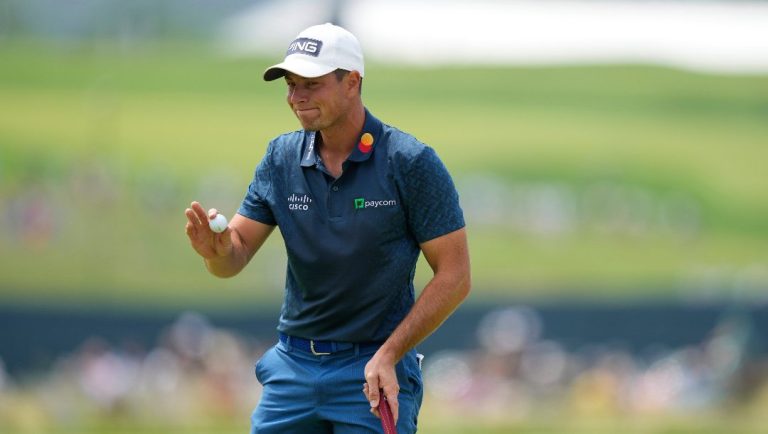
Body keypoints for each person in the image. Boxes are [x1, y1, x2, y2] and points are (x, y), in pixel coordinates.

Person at [184, 23, 470, 434]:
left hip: (373, 367)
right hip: (293, 367)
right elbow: (235, 255)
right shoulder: (280, 157)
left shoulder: (410, 162)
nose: (297, 97)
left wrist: (390, 354)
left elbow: (456, 276)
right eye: (291, 85)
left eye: (312, 85)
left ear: (352, 82)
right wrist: (216, 251)